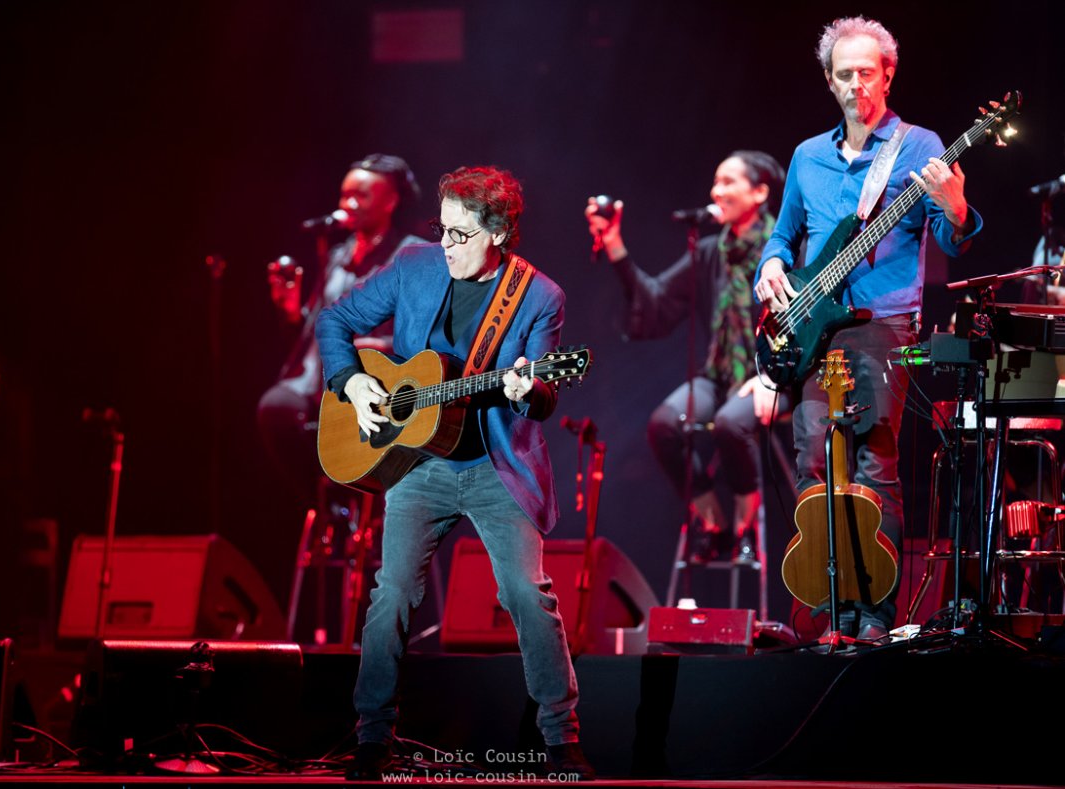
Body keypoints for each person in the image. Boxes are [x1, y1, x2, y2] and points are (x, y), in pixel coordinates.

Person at [316, 165, 595, 781]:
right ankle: (371, 739)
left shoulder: (539, 296)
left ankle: (560, 740)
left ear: (497, 232)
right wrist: (354, 381)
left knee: (526, 593)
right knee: (391, 593)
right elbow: (333, 322)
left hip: (498, 465)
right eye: (441, 231)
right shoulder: (416, 265)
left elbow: (544, 394)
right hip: (419, 462)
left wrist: (526, 389)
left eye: (460, 235)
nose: (445, 246)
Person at [754, 16, 983, 643]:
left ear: (888, 74)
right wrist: (771, 264)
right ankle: (832, 611)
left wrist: (957, 208)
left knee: (873, 463)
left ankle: (877, 614)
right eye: (845, 74)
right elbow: (784, 234)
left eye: (868, 73)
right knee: (814, 463)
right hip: (810, 331)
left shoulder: (919, 145)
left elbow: (951, 239)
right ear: (830, 82)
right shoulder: (806, 156)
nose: (858, 85)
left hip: (882, 326)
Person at [584, 151, 788, 564]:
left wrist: (771, 377)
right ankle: (712, 523)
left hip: (777, 377)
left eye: (729, 181)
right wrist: (615, 245)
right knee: (663, 424)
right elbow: (657, 299)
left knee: (732, 422)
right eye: (715, 182)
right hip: (720, 375)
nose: (717, 191)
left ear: (760, 192)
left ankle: (746, 528)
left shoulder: (781, 251)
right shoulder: (711, 250)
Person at [257, 154, 423, 507]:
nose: (348, 204)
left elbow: (430, 329)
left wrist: (382, 343)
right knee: (276, 409)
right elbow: (313, 334)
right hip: (322, 381)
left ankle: (353, 495)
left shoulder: (409, 256)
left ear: (390, 201)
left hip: (379, 379)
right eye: (344, 194)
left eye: (361, 196)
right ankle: (326, 506)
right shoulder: (337, 255)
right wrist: (290, 311)